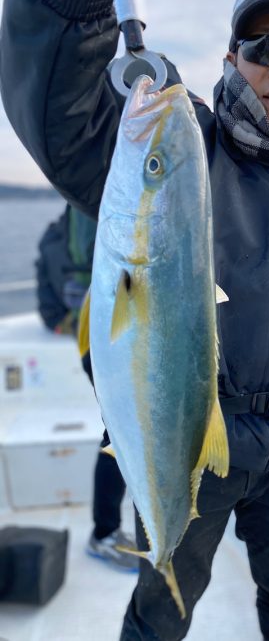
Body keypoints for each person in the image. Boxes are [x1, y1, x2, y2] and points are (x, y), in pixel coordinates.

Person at [0, 0, 269, 639]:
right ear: (233, 58)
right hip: (186, 437)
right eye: (261, 46)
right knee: (162, 610)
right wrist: (73, 18)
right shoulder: (183, 144)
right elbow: (67, 126)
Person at [35, 203, 138, 572]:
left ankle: (111, 529)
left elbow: (45, 290)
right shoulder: (112, 224)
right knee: (124, 432)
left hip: (89, 341)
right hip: (113, 341)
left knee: (123, 429)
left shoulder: (53, 233)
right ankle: (105, 533)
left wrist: (63, 320)